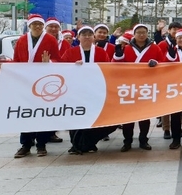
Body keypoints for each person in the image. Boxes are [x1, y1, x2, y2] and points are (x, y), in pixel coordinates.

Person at [12, 14, 60, 158]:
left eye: (40, 24)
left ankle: (41, 144)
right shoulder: (21, 40)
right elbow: (16, 61)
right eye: (35, 24)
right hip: (26, 82)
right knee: (26, 113)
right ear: (30, 25)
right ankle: (25, 145)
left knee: (43, 113)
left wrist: (49, 63)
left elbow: (58, 59)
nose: (38, 26)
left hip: (44, 82)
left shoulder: (50, 40)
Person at [61, 26, 114, 154]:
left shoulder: (101, 52)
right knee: (76, 117)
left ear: (93, 37)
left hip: (95, 90)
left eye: (90, 34)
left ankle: (90, 143)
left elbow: (108, 69)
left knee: (92, 117)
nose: (87, 37)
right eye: (84, 34)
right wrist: (73, 67)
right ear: (78, 37)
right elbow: (62, 68)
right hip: (75, 91)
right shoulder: (70, 52)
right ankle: (75, 144)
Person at [112, 24, 163, 152]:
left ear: (147, 34)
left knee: (144, 116)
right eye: (138, 32)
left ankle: (143, 140)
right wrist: (118, 55)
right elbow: (115, 67)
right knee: (128, 117)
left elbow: (163, 64)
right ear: (134, 34)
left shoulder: (155, 48)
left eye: (144, 32)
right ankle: (127, 141)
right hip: (129, 86)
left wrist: (156, 64)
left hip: (146, 86)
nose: (141, 35)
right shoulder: (126, 48)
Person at [156, 22, 182, 139]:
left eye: (178, 29)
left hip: (179, 78)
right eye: (174, 29)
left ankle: (178, 127)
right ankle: (166, 129)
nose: (176, 31)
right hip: (165, 78)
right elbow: (158, 58)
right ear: (169, 30)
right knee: (166, 105)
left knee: (178, 105)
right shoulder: (162, 44)